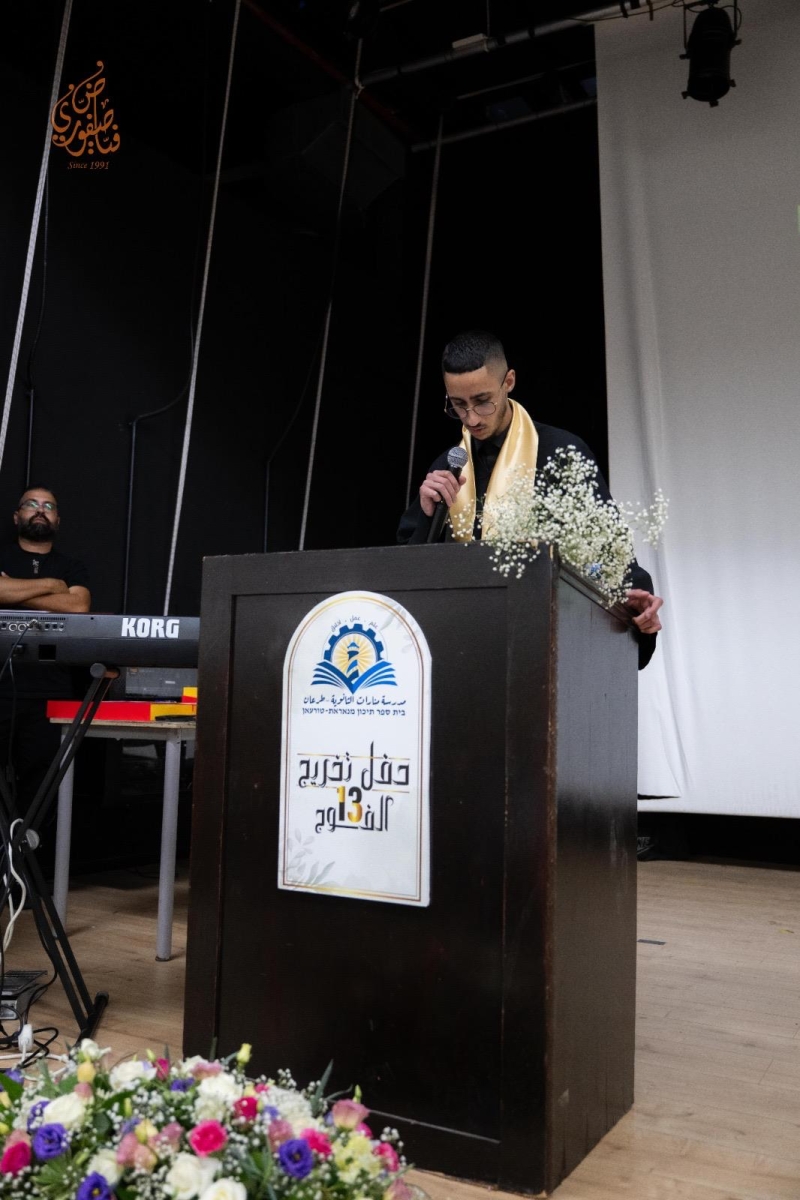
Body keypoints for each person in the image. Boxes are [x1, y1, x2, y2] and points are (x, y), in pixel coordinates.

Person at [397, 330, 663, 667]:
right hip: (462, 647)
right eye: (458, 405)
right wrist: (427, 516)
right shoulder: (449, 467)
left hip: (545, 647)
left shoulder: (560, 454)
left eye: (482, 401)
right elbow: (410, 578)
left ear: (509, 381)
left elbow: (609, 555)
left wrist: (635, 604)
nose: (472, 418)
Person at [0, 486, 91, 837]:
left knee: (40, 787)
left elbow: (78, 605)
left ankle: (25, 860)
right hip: (2, 686)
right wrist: (52, 587)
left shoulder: (72, 566)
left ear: (57, 519)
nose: (40, 510)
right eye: (31, 504)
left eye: (48, 506)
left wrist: (14, 592)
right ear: (17, 516)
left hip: (50, 693)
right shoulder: (6, 556)